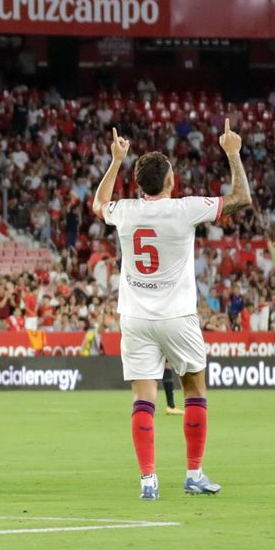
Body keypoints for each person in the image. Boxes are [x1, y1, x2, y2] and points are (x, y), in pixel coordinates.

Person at [91, 120, 252, 500]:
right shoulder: (186, 209)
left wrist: (115, 161)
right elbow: (241, 198)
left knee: (142, 398)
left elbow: (98, 203)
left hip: (135, 317)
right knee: (194, 388)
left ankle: (149, 481)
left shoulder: (125, 211)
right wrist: (232, 152)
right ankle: (193, 473)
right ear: (170, 183)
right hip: (177, 316)